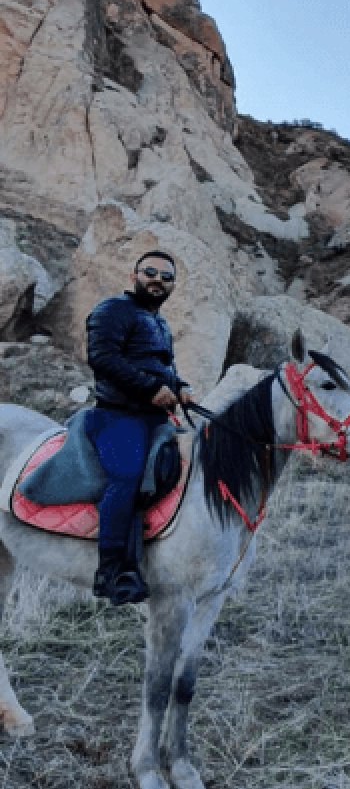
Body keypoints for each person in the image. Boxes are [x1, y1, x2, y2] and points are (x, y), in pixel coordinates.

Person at [85, 251, 193, 605]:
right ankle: (112, 571)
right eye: (150, 272)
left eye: (166, 277)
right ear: (134, 276)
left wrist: (181, 386)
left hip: (155, 418)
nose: (158, 280)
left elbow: (164, 368)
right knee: (127, 475)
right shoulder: (112, 310)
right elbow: (102, 357)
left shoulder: (159, 322)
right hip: (117, 415)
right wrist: (150, 389)